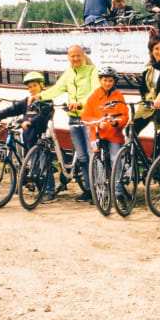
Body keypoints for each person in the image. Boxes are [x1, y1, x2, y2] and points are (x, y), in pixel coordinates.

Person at [39, 45, 99, 202]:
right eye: (73, 56)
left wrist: (80, 103)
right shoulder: (68, 73)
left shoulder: (92, 71)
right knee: (83, 157)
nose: (76, 59)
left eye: (78, 55)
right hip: (73, 119)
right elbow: (57, 89)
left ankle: (98, 189)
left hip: (89, 118)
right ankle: (88, 189)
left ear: (83, 56)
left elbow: (95, 93)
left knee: (93, 156)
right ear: (68, 57)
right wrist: (39, 96)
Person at [0, 71, 56, 201]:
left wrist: (30, 122)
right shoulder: (27, 101)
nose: (31, 89)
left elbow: (43, 116)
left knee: (43, 163)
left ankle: (49, 190)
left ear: (42, 85)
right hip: (28, 138)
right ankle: (38, 187)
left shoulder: (47, 100)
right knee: (32, 164)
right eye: (29, 87)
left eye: (35, 86)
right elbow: (12, 109)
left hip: (41, 137)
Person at [82, 66, 131, 202]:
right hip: (97, 135)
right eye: (105, 80)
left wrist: (116, 123)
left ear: (114, 81)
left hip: (114, 135)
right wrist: (97, 123)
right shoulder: (94, 96)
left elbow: (124, 116)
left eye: (110, 81)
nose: (107, 83)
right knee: (98, 163)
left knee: (116, 159)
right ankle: (101, 191)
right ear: (100, 80)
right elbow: (86, 116)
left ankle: (118, 190)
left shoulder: (118, 96)